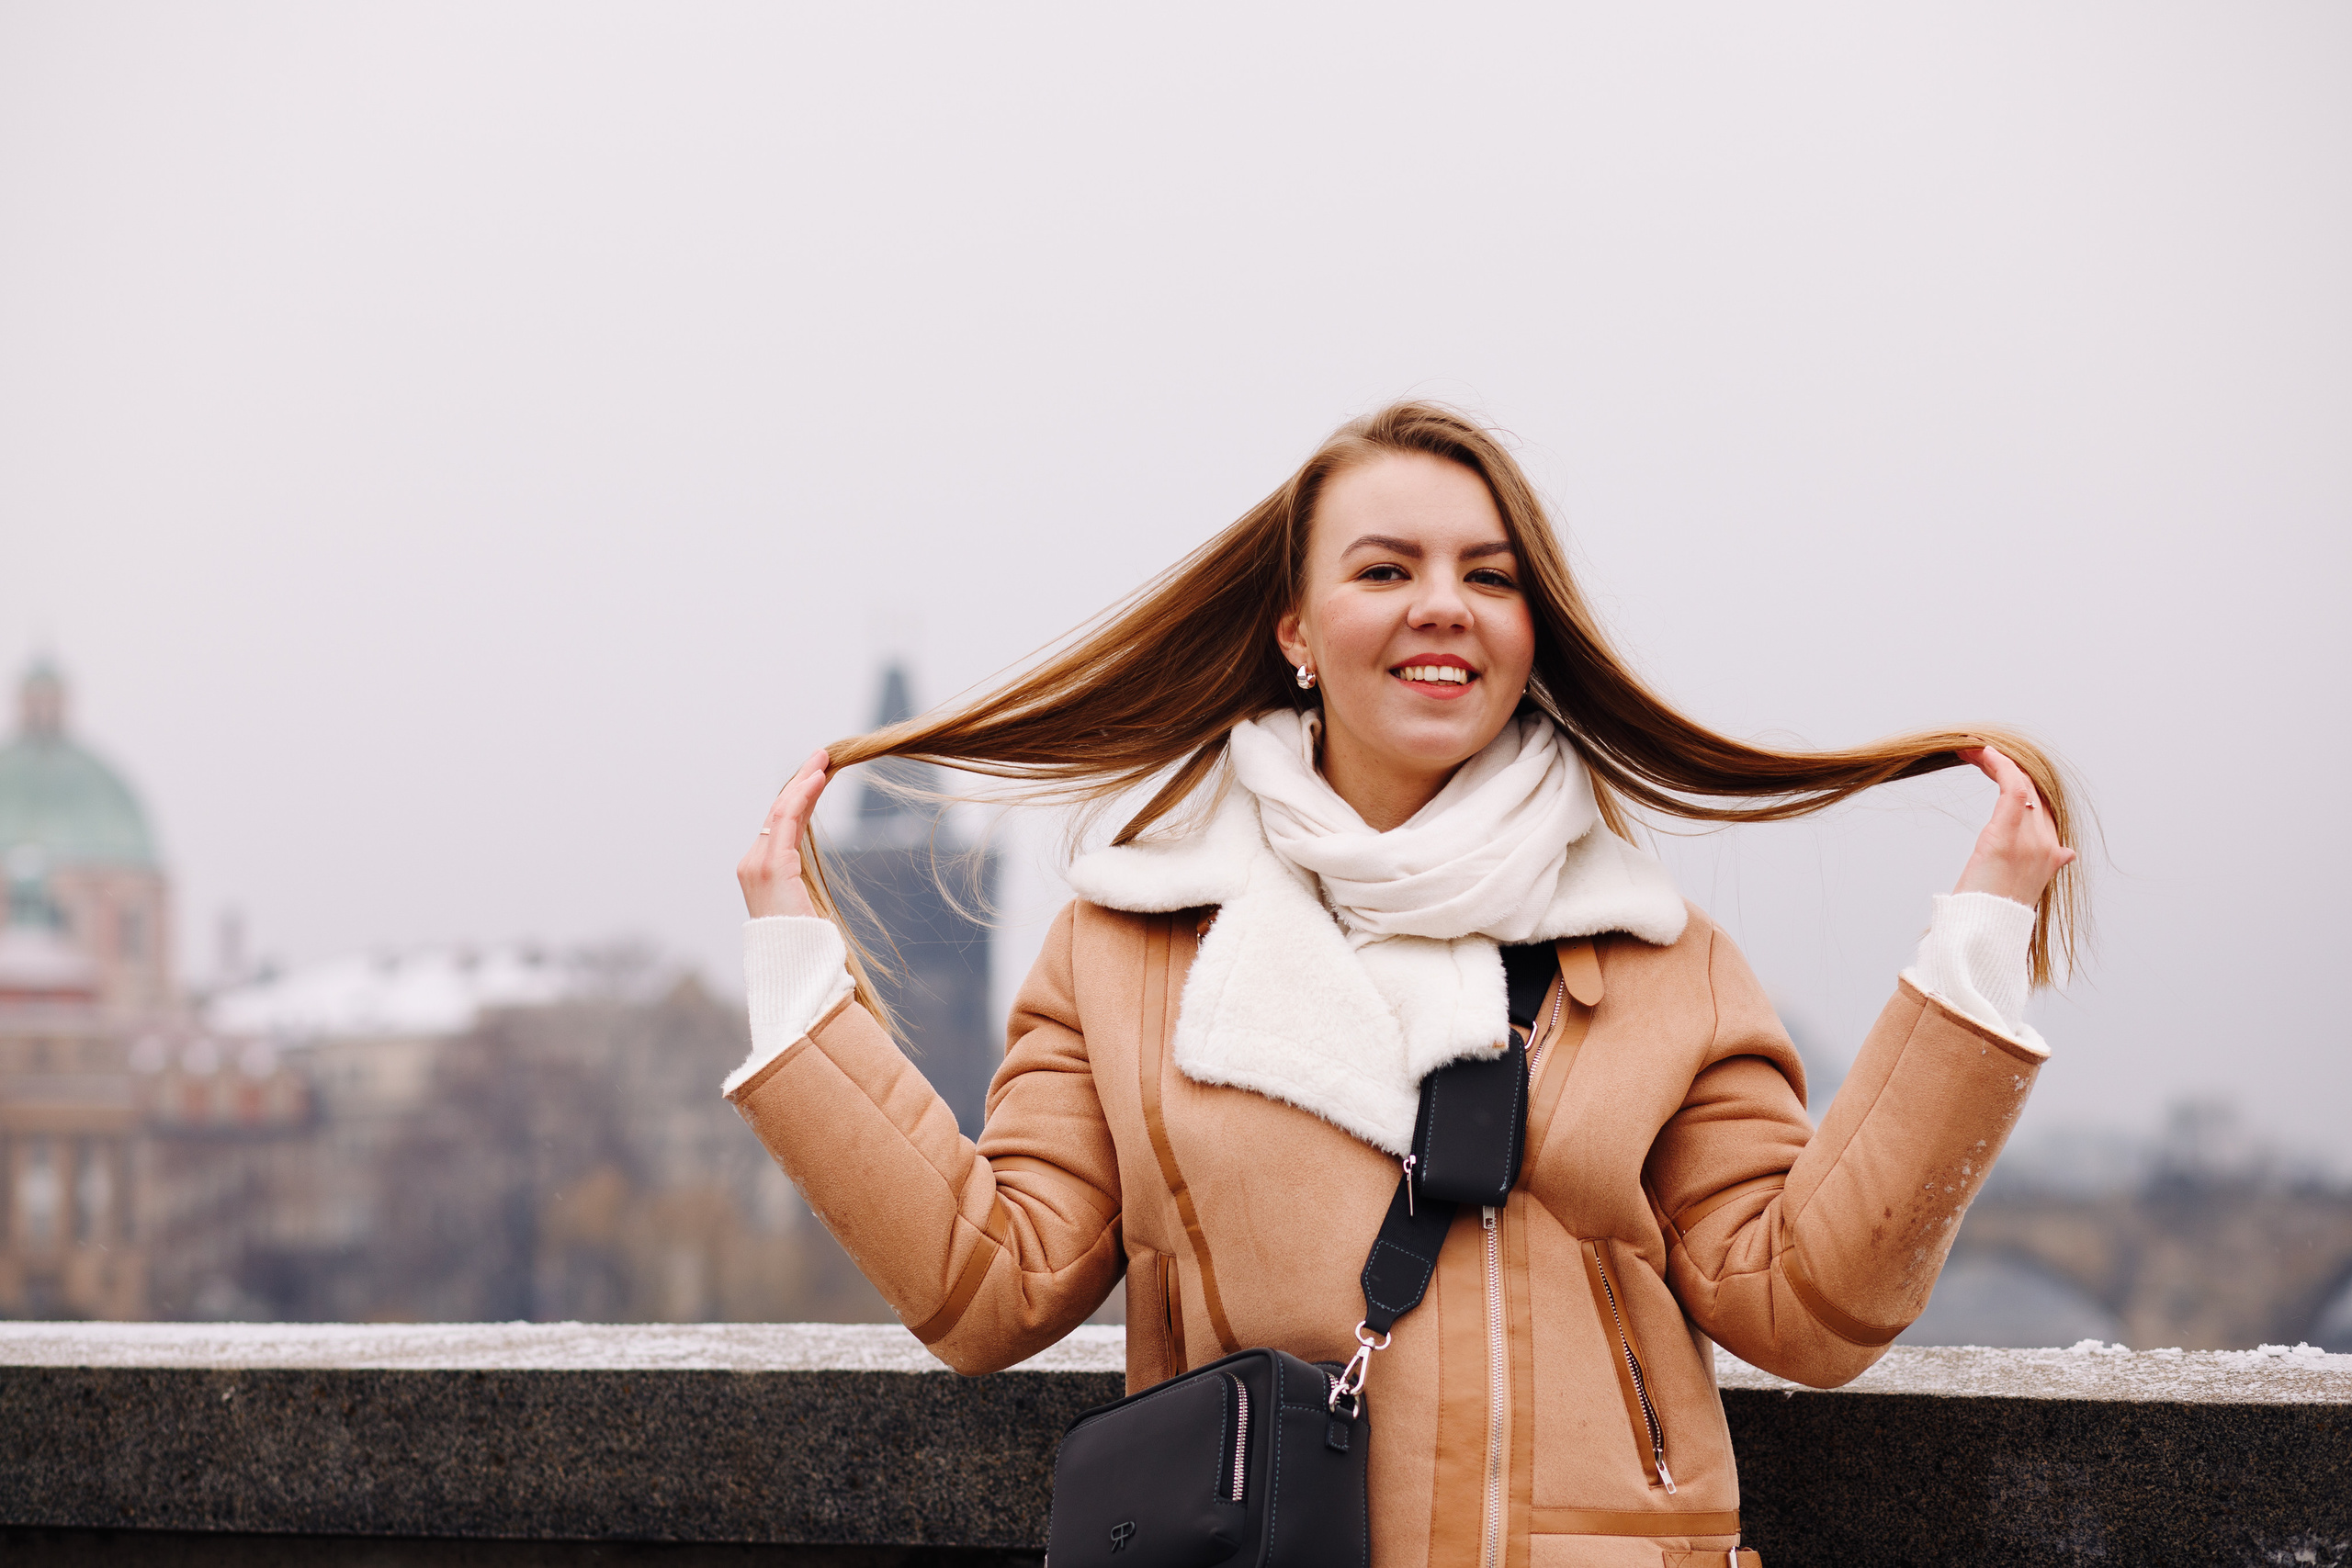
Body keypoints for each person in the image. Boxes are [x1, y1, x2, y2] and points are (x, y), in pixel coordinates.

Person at [727, 402, 2078, 1568]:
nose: (1445, 600)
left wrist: (1975, 947)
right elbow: (989, 1287)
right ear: (1299, 631)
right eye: (1388, 567)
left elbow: (1806, 1304)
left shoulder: (1662, 963)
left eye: (1489, 576)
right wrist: (797, 972)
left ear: (1528, 635)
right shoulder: (1126, 950)